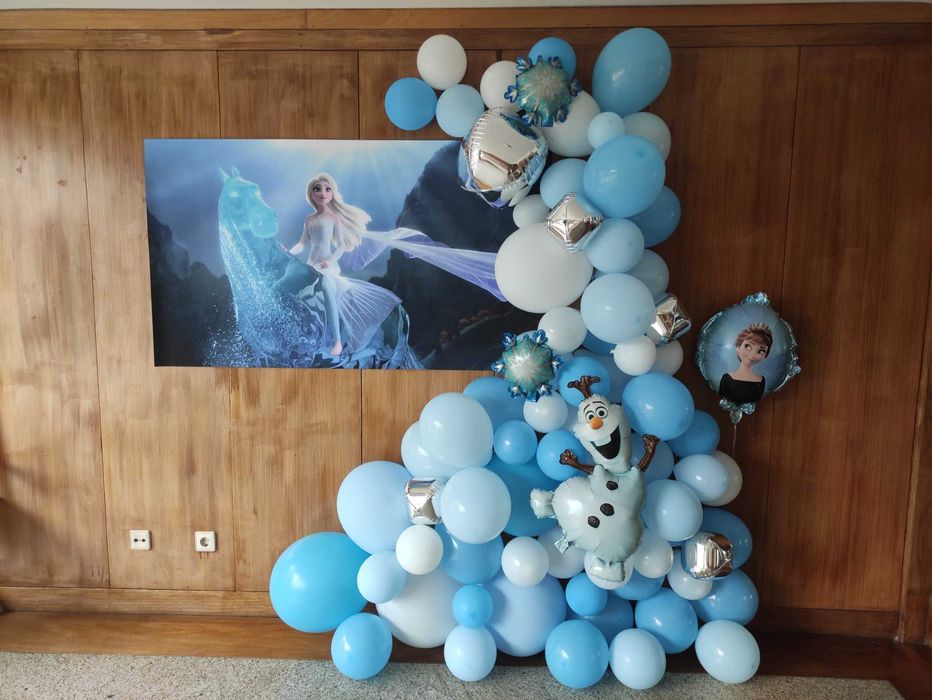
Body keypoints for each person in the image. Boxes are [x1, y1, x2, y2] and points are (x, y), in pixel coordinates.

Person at [288, 173, 503, 357]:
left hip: (327, 265)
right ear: (311, 194)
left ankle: (336, 340)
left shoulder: (335, 218)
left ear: (332, 193)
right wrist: (288, 251)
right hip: (311, 263)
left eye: (327, 189)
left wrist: (331, 261)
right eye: (317, 189)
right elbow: (301, 244)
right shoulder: (310, 220)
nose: (322, 193)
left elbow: (343, 245)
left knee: (327, 288)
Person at [718, 323, 772, 404]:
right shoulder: (727, 379)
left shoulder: (761, 381)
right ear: (738, 348)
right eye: (748, 347)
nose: (752, 355)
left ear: (765, 356)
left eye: (761, 351)